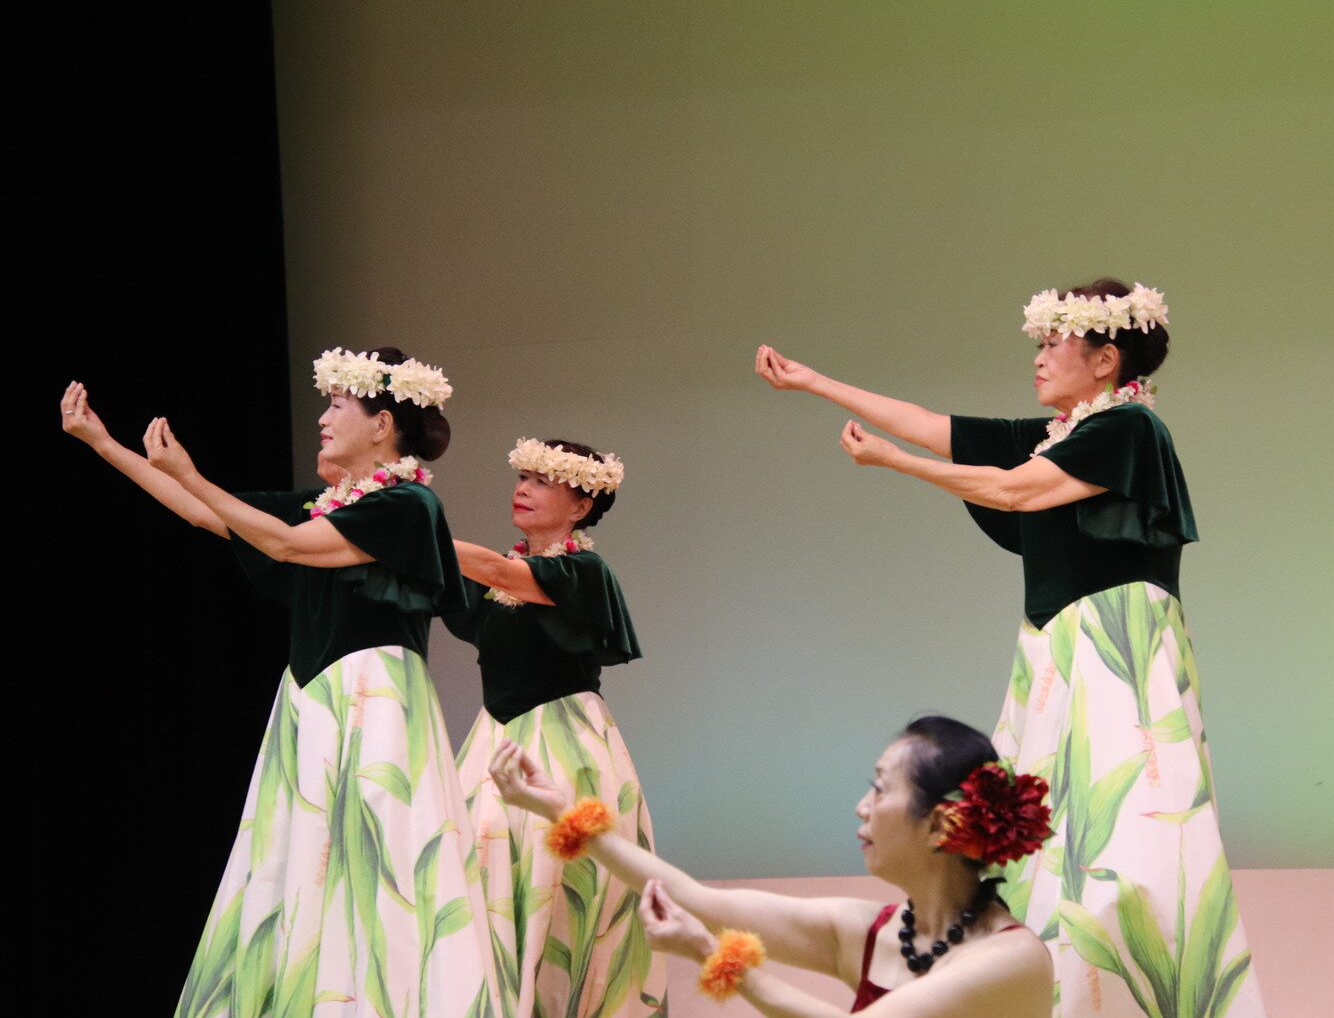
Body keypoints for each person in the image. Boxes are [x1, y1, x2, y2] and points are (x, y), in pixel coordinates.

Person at [755, 281, 1267, 1017]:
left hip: (1114, 643)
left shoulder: (1128, 428)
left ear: (1106, 360)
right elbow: (931, 426)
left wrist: (897, 463)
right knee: (1046, 837)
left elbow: (1015, 492)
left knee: (1129, 832)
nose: (1039, 357)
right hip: (1055, 648)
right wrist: (814, 382)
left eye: (1054, 342)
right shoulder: (1063, 433)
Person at [62, 347, 496, 1018]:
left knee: (378, 862)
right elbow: (209, 514)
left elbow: (285, 544)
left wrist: (194, 474)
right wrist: (104, 444)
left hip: (374, 703)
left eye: (337, 405)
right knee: (300, 865)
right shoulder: (325, 506)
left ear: (383, 424)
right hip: (311, 700)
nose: (323, 418)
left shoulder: (409, 504)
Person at [490, 714, 1054, 1017]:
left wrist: (713, 955)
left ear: (939, 826)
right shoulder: (870, 932)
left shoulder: (1010, 959)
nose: (862, 807)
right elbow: (700, 902)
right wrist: (561, 812)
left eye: (881, 789)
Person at [446, 438, 666, 1017]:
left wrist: (409, 525)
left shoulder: (582, 571)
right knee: (483, 883)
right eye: (522, 477)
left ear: (581, 506)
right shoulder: (502, 572)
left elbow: (499, 571)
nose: (522, 489)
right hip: (496, 740)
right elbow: (475, 577)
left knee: (561, 888)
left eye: (542, 481)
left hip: (563, 744)